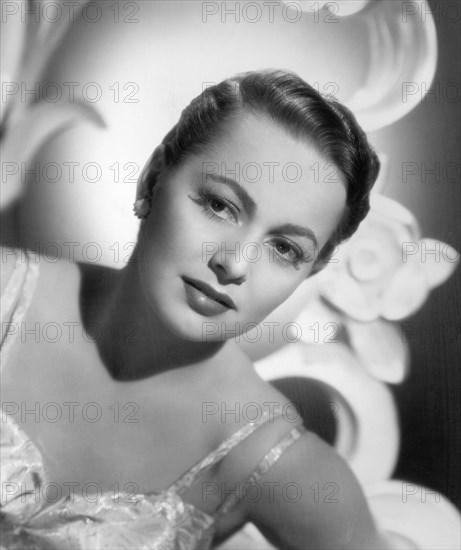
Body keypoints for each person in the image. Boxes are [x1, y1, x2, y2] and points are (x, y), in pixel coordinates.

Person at [1, 69, 404, 549]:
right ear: (152, 179)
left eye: (285, 249)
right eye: (219, 205)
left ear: (311, 272)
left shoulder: (272, 460)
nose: (234, 263)